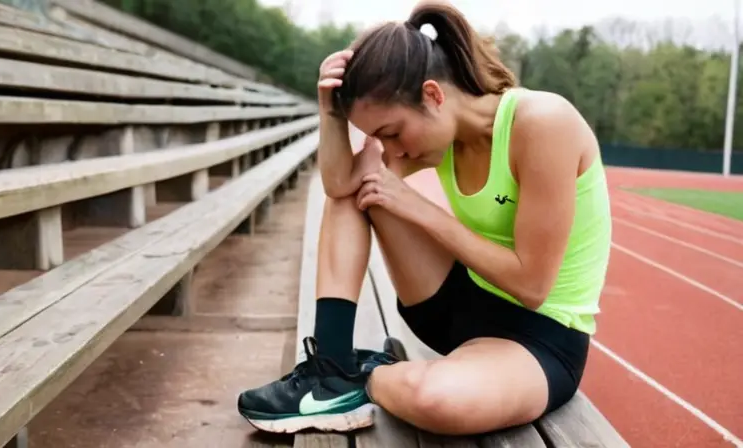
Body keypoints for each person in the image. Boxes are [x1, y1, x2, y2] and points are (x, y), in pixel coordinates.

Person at [237, 0, 611, 436]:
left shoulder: (544, 123)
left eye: (392, 133)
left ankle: (361, 376)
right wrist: (332, 114)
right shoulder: (441, 135)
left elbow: (532, 287)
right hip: (452, 306)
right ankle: (332, 365)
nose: (391, 150)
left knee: (433, 399)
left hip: (539, 341)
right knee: (363, 187)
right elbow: (340, 185)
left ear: (433, 95)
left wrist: (420, 209)